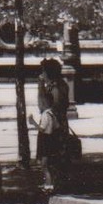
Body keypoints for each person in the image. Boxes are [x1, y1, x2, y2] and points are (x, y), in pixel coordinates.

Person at [36, 58, 74, 194]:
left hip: (51, 125)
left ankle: (50, 185)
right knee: (56, 155)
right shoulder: (62, 84)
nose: (42, 74)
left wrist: (40, 86)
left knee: (47, 156)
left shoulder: (54, 87)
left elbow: (44, 106)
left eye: (43, 71)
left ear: (48, 72)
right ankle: (54, 183)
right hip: (59, 123)